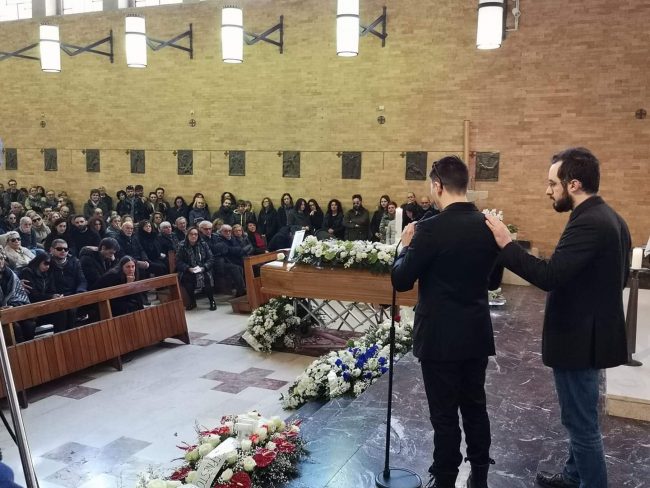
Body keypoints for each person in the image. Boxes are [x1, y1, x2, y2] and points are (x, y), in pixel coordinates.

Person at [485, 147, 630, 488]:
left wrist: (506, 244)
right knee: (580, 417)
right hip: (589, 335)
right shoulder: (610, 217)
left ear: (573, 184)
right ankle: (573, 475)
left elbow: (549, 276)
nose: (547, 191)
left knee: (581, 426)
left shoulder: (589, 222)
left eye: (552, 183)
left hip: (579, 339)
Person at [392, 156, 503, 488]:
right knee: (475, 407)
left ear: (438, 186)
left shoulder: (429, 229)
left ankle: (445, 478)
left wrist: (405, 247)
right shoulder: (488, 225)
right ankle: (479, 476)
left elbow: (401, 280)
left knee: (444, 415)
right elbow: (494, 281)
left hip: (439, 337)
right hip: (475, 334)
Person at [19, 253, 68, 333]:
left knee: (62, 312)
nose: (48, 266)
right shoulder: (27, 272)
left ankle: (61, 337)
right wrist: (51, 297)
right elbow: (33, 295)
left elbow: (52, 290)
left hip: (44, 306)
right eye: (46, 263)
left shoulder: (48, 273)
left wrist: (57, 296)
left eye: (49, 264)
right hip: (31, 308)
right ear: (38, 261)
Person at [176, 226, 216, 311]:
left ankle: (212, 301)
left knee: (206, 278)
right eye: (191, 234)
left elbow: (211, 258)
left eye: (196, 234)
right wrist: (188, 268)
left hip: (203, 267)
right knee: (187, 280)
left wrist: (204, 267)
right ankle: (192, 301)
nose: (193, 236)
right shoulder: (182, 245)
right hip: (189, 269)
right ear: (187, 235)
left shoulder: (203, 244)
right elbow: (178, 261)